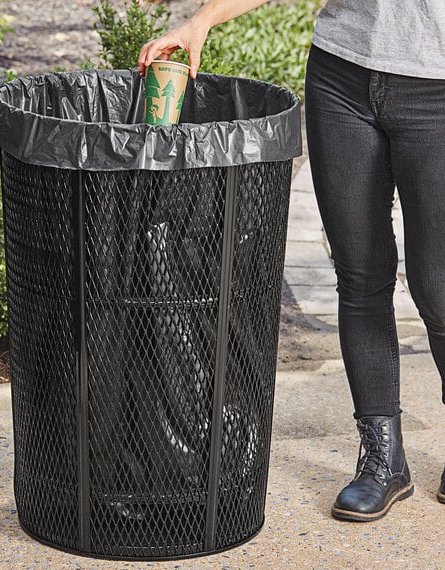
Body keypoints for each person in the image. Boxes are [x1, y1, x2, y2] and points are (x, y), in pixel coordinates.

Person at [139, 0, 445, 521]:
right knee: (359, 273)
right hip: (341, 73)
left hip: (436, 86)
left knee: (438, 287)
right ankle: (382, 460)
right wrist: (201, 21)